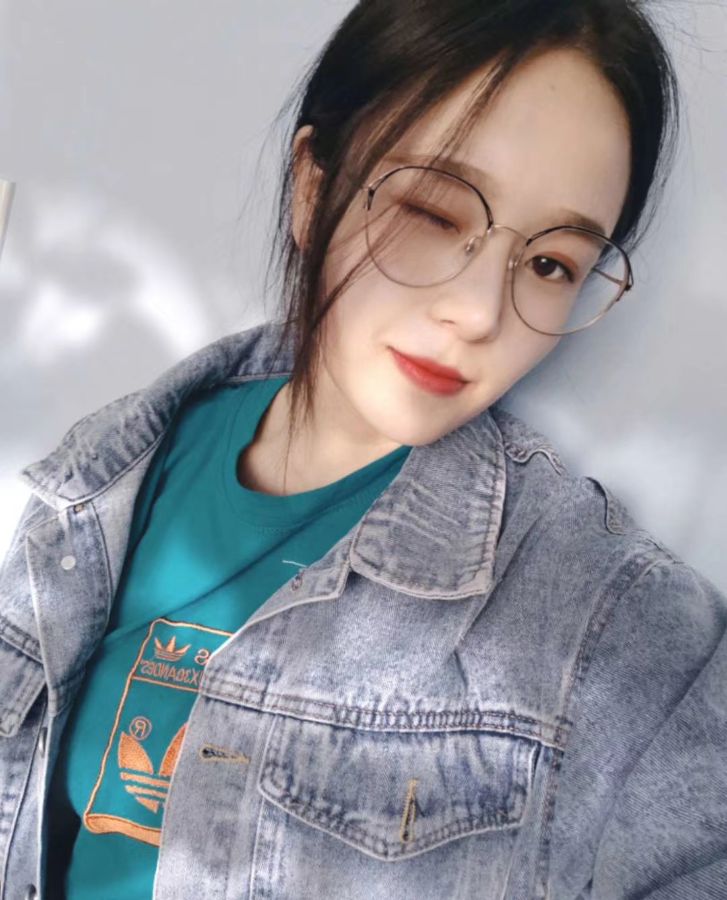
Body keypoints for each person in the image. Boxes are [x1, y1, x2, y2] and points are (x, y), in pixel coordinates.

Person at [1, 1, 725, 898]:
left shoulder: (607, 623)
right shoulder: (95, 483)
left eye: (550, 264)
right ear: (313, 188)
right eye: (432, 210)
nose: (479, 312)